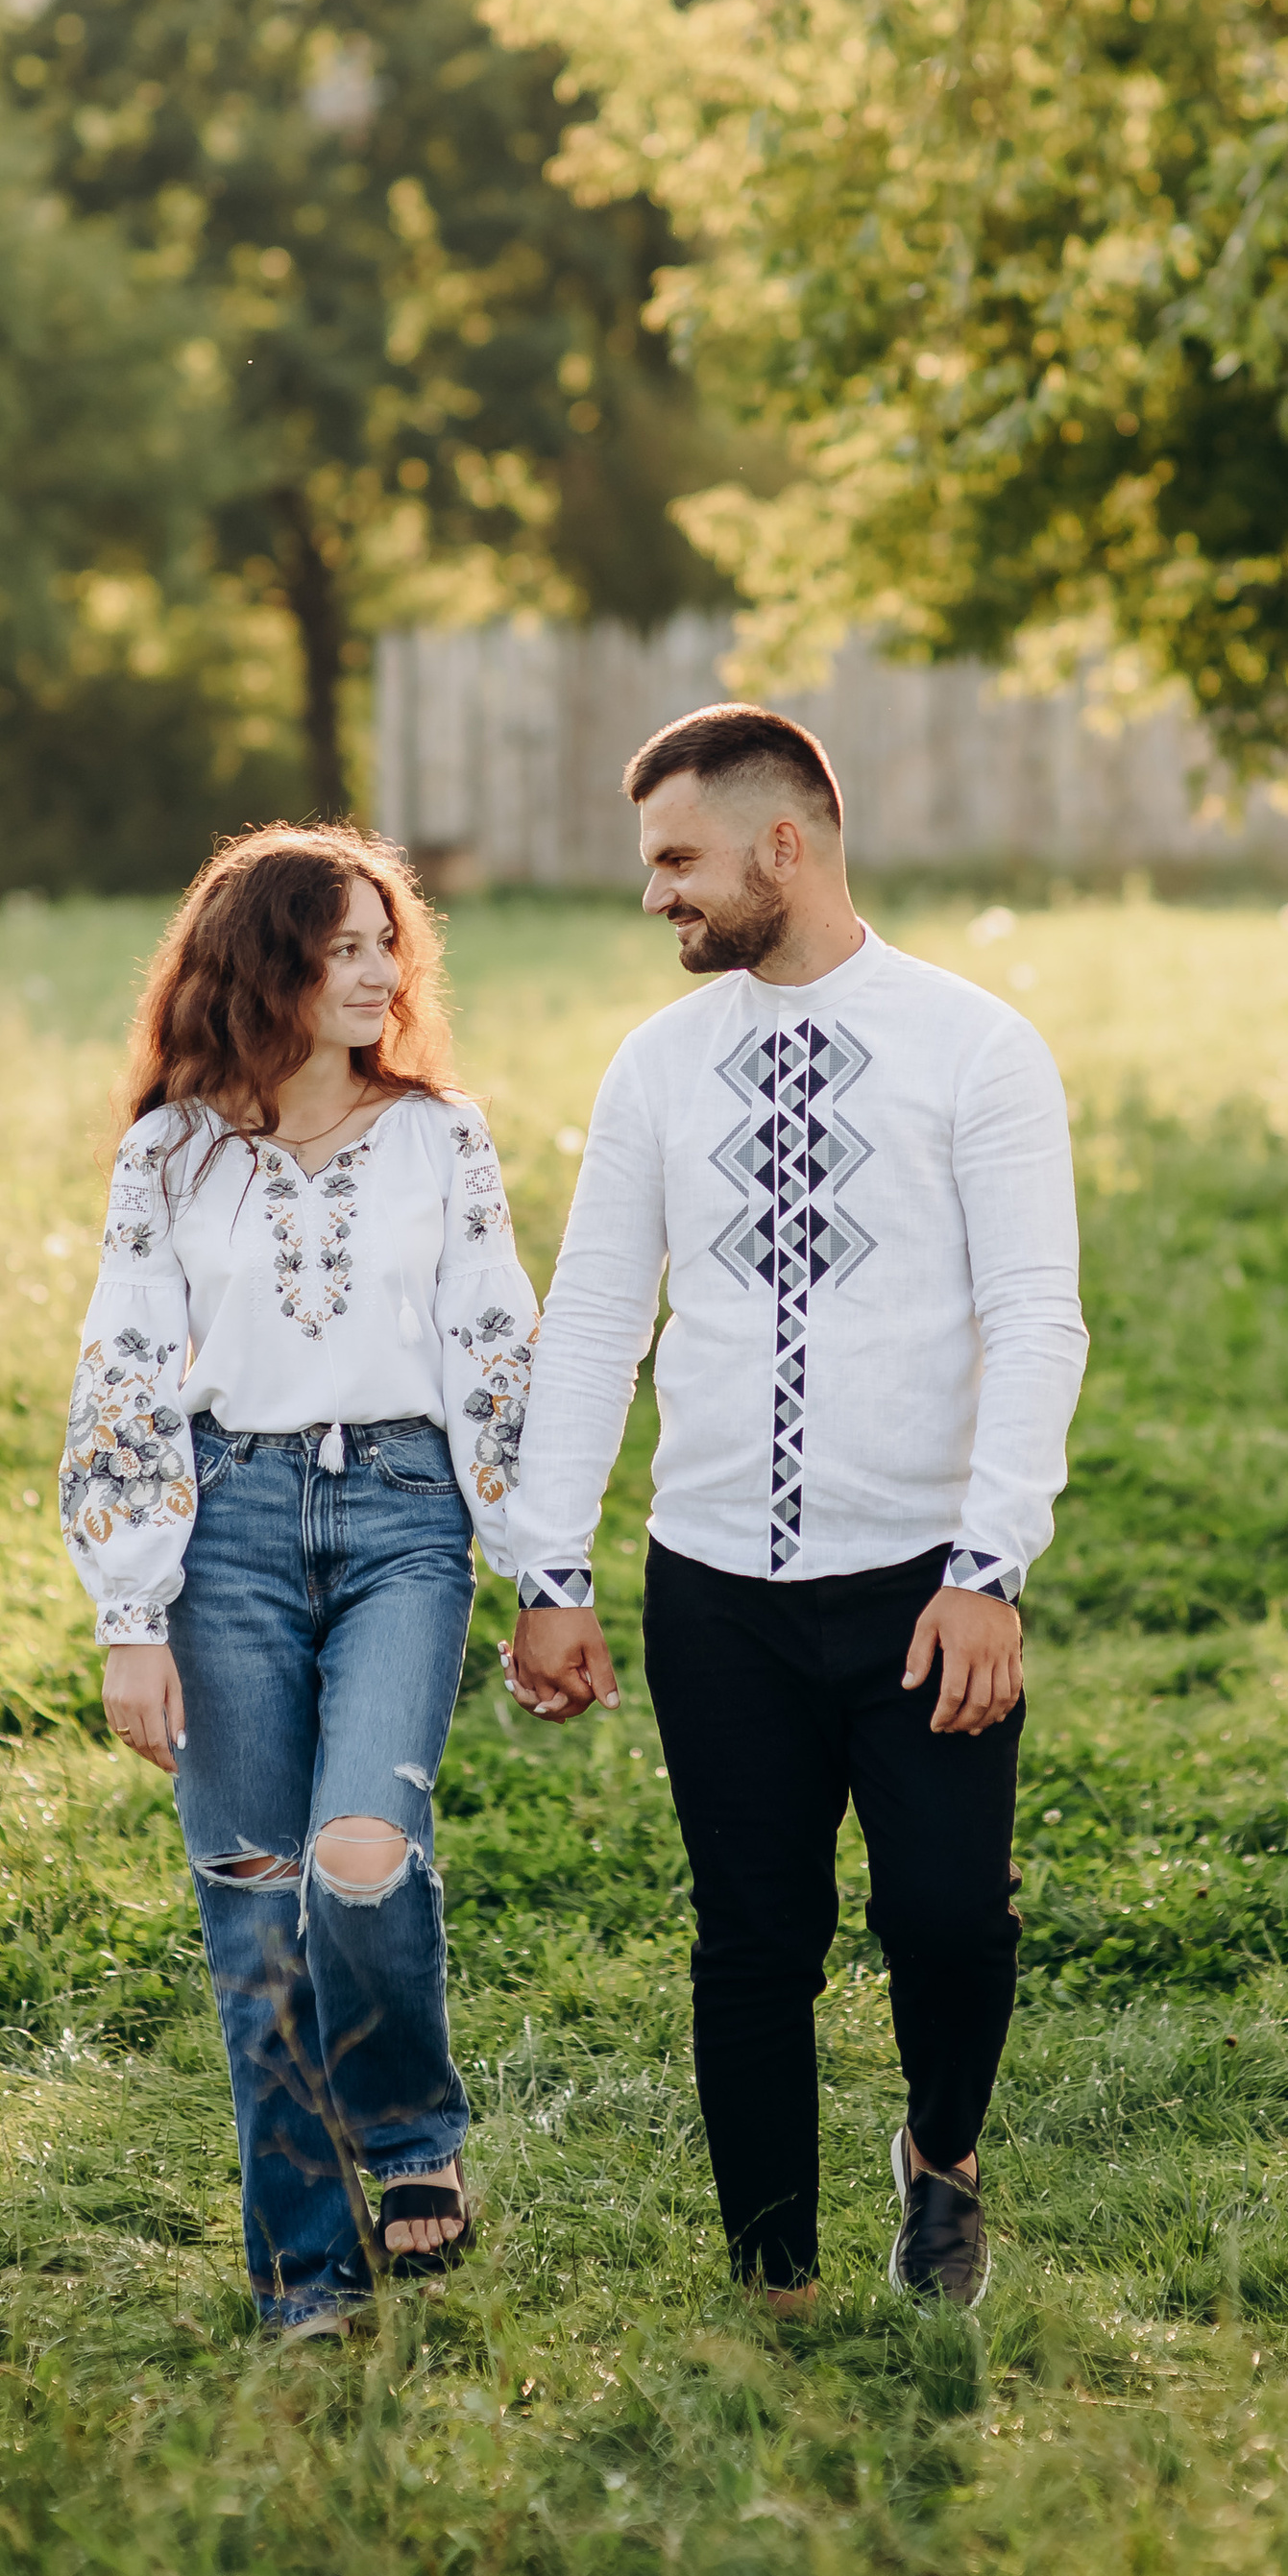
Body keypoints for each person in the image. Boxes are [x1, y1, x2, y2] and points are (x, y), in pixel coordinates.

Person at [502, 705, 1085, 2314]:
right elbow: (597, 1321)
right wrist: (551, 1567)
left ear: (786, 843)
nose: (656, 896)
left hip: (922, 1585)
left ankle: (945, 2161)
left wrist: (990, 1567)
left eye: (679, 859)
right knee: (753, 1938)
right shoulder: (656, 1066)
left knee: (952, 1921)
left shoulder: (976, 1045)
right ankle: (777, 2287)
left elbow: (1038, 1315)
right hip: (717, 1593)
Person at [61, 822, 538, 2342]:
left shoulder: (441, 1135)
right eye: (343, 946)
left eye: (389, 941)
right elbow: (127, 1370)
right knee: (253, 1911)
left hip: (405, 1510)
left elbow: (494, 1347)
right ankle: (307, 2275)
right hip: (229, 1528)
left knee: (359, 1853)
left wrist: (545, 1565)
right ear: (266, 962)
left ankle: (407, 2126)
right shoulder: (171, 1150)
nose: (381, 971)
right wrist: (131, 1614)